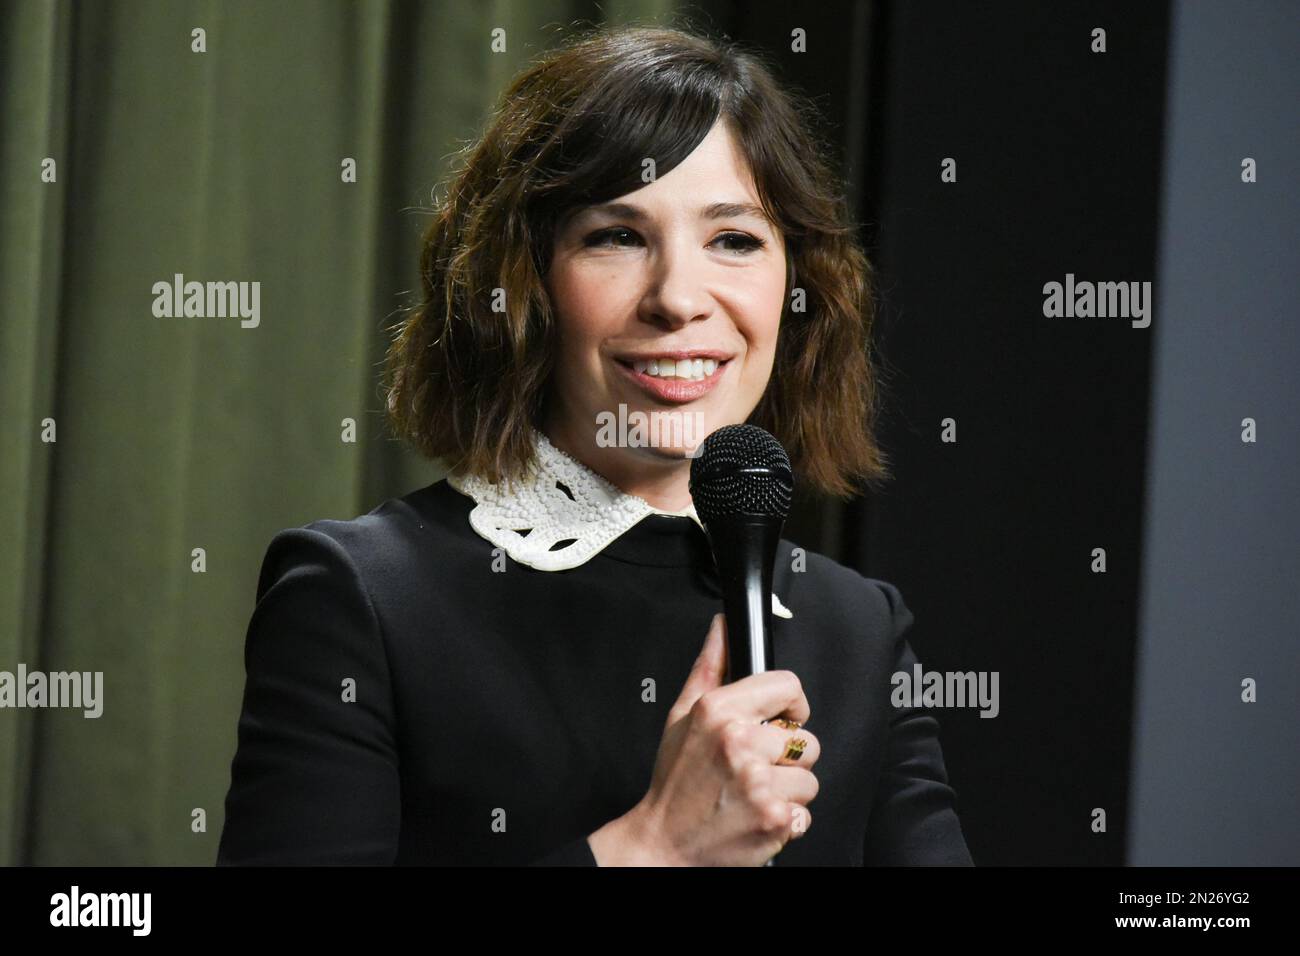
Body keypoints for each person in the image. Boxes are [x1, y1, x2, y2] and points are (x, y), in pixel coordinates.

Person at [216, 24, 973, 866]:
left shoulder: (857, 626)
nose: (679, 298)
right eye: (616, 236)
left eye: (735, 239)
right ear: (522, 287)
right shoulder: (362, 595)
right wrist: (654, 848)